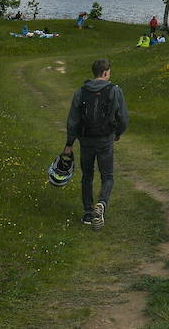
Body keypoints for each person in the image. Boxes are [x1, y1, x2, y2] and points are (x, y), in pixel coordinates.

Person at [64, 59, 128, 230]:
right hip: (105, 139)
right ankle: (102, 203)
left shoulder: (81, 91)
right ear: (106, 72)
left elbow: (73, 120)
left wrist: (69, 143)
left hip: (85, 140)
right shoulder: (114, 90)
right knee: (107, 175)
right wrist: (118, 133)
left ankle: (87, 213)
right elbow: (122, 117)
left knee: (87, 175)